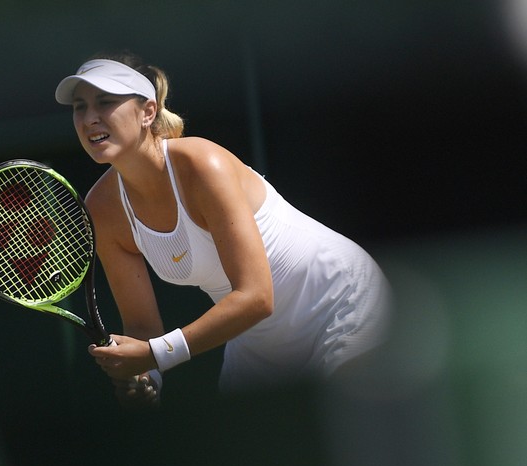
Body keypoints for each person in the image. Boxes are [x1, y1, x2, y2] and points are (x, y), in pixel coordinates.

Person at [54, 51, 391, 408]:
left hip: (341, 302)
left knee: (347, 436)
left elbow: (257, 297)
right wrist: (145, 375)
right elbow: (142, 326)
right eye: (80, 107)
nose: (90, 118)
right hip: (256, 342)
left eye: (105, 102)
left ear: (147, 112)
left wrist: (156, 355)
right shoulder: (102, 208)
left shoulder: (202, 164)